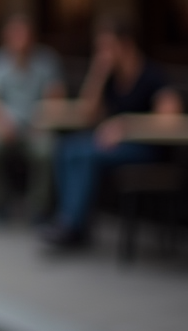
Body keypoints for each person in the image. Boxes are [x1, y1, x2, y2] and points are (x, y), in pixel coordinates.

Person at [43, 19, 183, 249]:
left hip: (146, 150)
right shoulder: (111, 78)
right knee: (68, 148)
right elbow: (86, 114)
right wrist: (97, 74)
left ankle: (71, 227)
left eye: (107, 47)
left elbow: (169, 115)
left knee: (85, 155)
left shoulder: (151, 75)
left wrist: (126, 126)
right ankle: (70, 222)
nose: (102, 53)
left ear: (125, 44)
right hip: (113, 147)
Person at [0, 14, 63, 222]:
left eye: (25, 36)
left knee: (47, 151)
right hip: (3, 128)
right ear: (6, 38)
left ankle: (38, 207)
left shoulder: (46, 62)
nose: (20, 41)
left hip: (36, 128)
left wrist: (41, 123)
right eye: (15, 36)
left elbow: (55, 99)